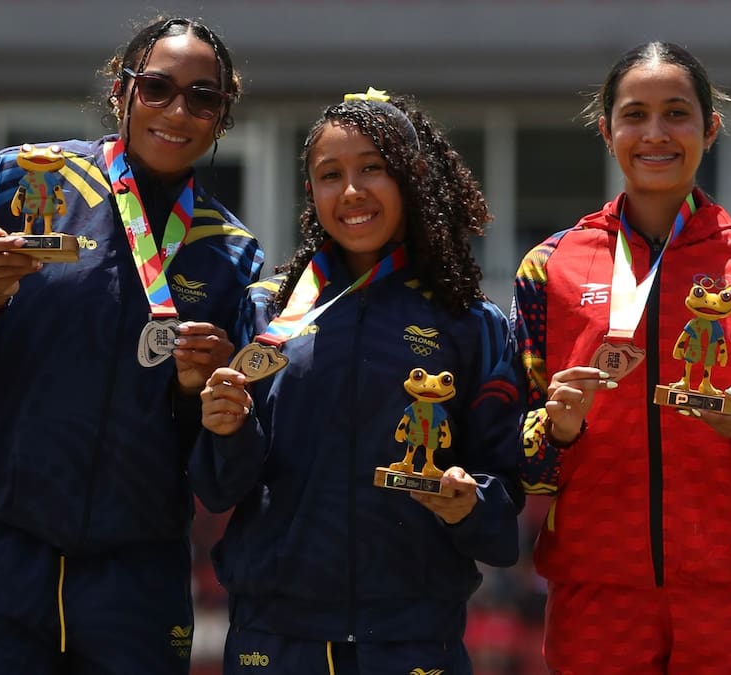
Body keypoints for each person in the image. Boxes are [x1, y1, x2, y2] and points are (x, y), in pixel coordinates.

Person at [0, 16, 263, 674]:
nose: (178, 111)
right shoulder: (23, 180)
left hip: (136, 573)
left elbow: (219, 474)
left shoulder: (230, 251)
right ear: (121, 93)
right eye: (157, 88)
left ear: (222, 116)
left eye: (203, 97)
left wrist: (199, 392)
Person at [513, 42, 731, 674]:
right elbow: (517, 464)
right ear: (606, 128)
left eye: (676, 113)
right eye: (635, 114)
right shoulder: (549, 270)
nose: (655, 134)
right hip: (596, 594)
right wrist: (558, 428)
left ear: (710, 128)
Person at [192, 88, 524, 675]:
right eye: (330, 174)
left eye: (373, 168)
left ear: (413, 178)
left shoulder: (472, 324)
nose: (351, 191)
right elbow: (221, 489)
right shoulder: (265, 313)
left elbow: (501, 523)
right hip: (273, 637)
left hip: (414, 640)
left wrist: (466, 503)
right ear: (310, 191)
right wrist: (225, 429)